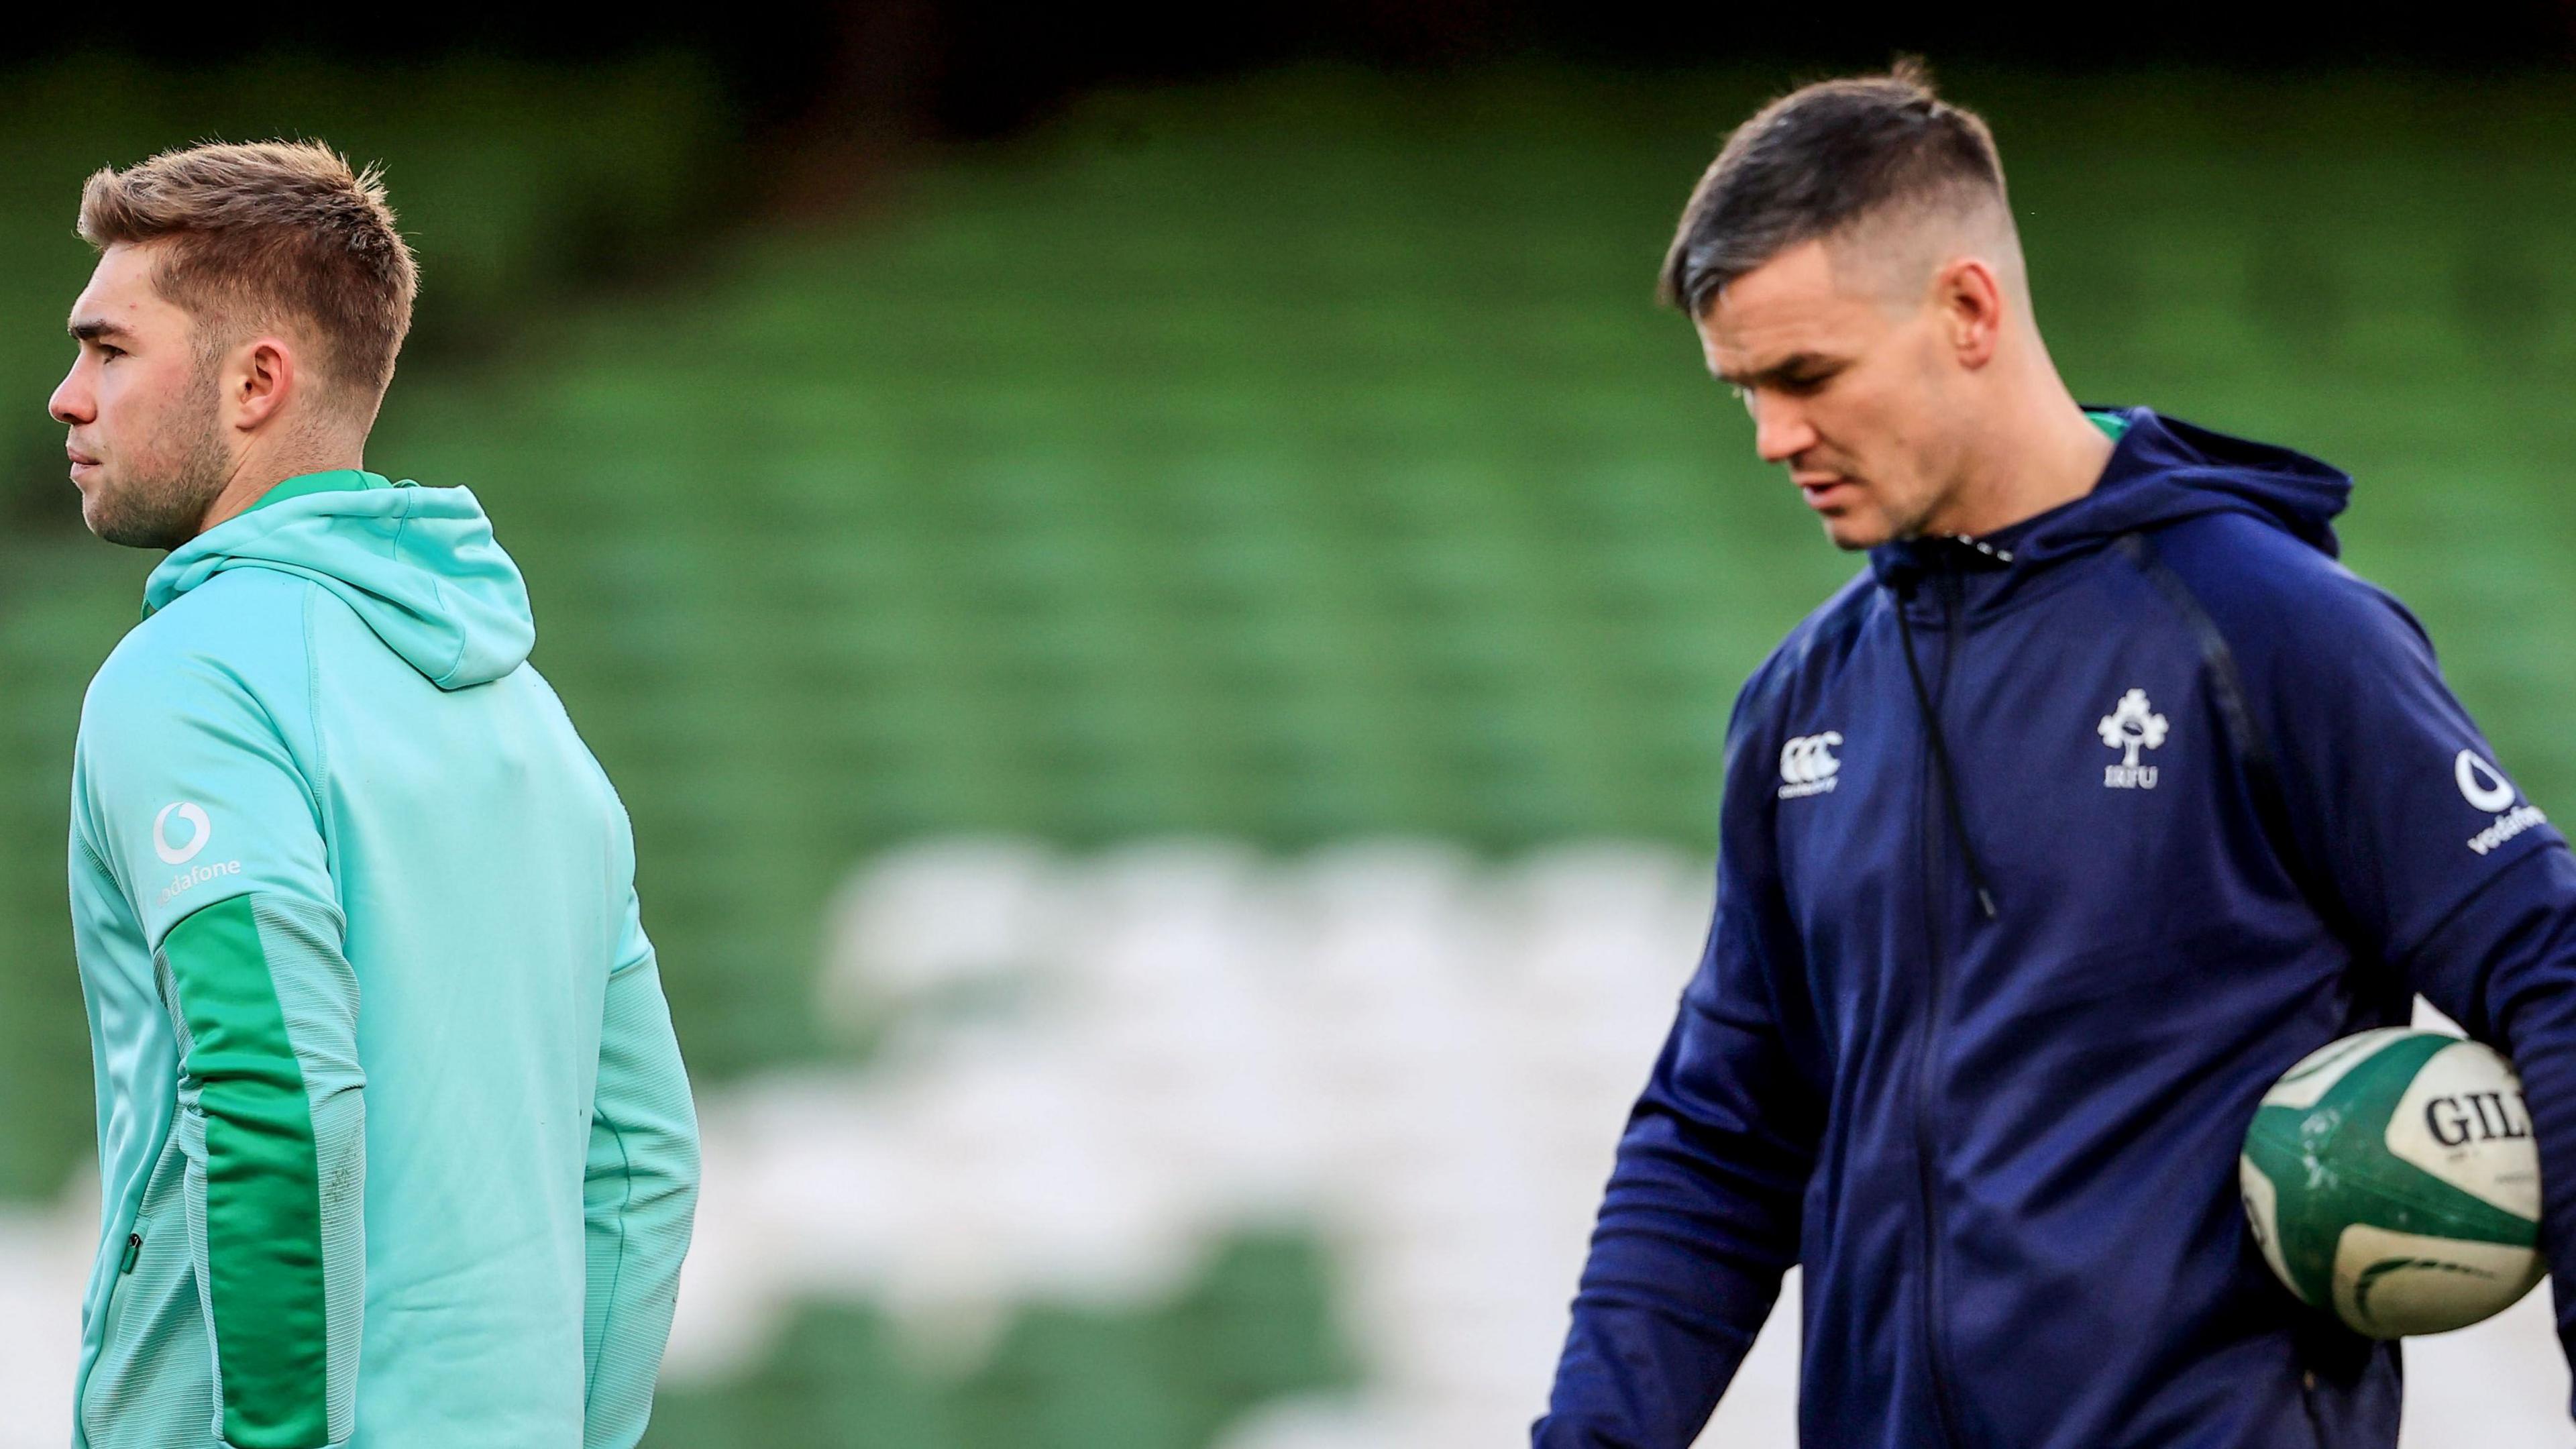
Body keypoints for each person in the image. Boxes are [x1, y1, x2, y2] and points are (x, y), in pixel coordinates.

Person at [1535, 64, 2576, 1448]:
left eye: (1808, 375)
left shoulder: (2269, 633)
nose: (1778, 436)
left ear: (1967, 310)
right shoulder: (1801, 704)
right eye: (1746, 392)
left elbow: (2551, 974)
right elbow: (1719, 1137)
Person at [52, 140, 699, 1448]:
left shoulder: (184, 681)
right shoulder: (535, 725)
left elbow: (276, 1086)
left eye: (110, 350)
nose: (67, 397)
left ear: (255, 383)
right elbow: (641, 1163)